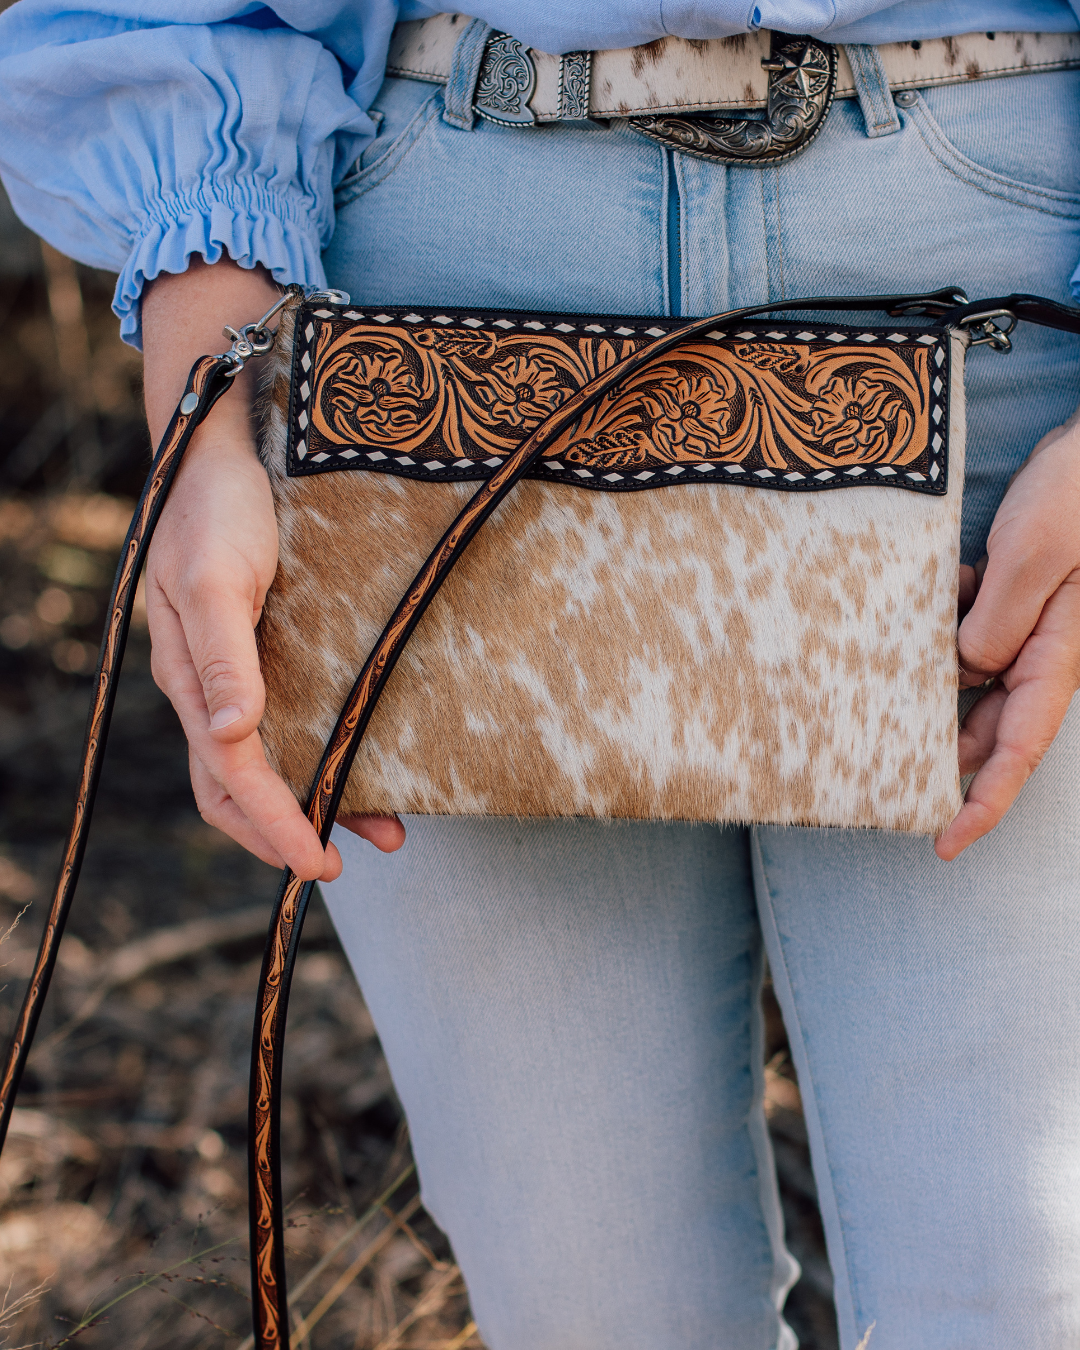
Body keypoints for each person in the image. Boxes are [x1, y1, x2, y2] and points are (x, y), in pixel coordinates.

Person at [4, 3, 1080, 1345]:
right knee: (592, 1305)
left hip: (1002, 282)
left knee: (1020, 1288)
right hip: (434, 323)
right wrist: (210, 396)